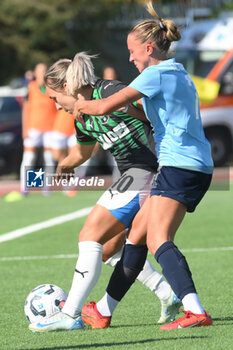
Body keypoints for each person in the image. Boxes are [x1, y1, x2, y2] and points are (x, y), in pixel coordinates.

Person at [71, 1, 214, 330]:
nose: (131, 58)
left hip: (180, 166)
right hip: (188, 165)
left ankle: (195, 311)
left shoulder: (156, 73)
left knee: (157, 238)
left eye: (133, 52)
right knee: (136, 236)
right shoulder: (174, 71)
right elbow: (139, 113)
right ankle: (103, 311)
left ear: (149, 48)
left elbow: (107, 105)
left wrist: (78, 103)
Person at [28, 52, 181, 332]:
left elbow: (153, 112)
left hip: (149, 171)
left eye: (54, 98)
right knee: (109, 249)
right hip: (134, 176)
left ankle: (71, 314)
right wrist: (65, 164)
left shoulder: (109, 90)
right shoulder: (82, 118)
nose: (56, 105)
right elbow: (83, 153)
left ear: (66, 88)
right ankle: (167, 295)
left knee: (89, 234)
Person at [20, 63, 57, 195]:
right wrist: (25, 129)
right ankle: (25, 188)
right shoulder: (30, 88)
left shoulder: (51, 87)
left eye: (44, 71)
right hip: (33, 128)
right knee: (29, 158)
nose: (41, 73)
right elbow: (25, 109)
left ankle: (46, 189)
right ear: (35, 73)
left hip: (50, 129)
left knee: (48, 158)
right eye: (39, 71)